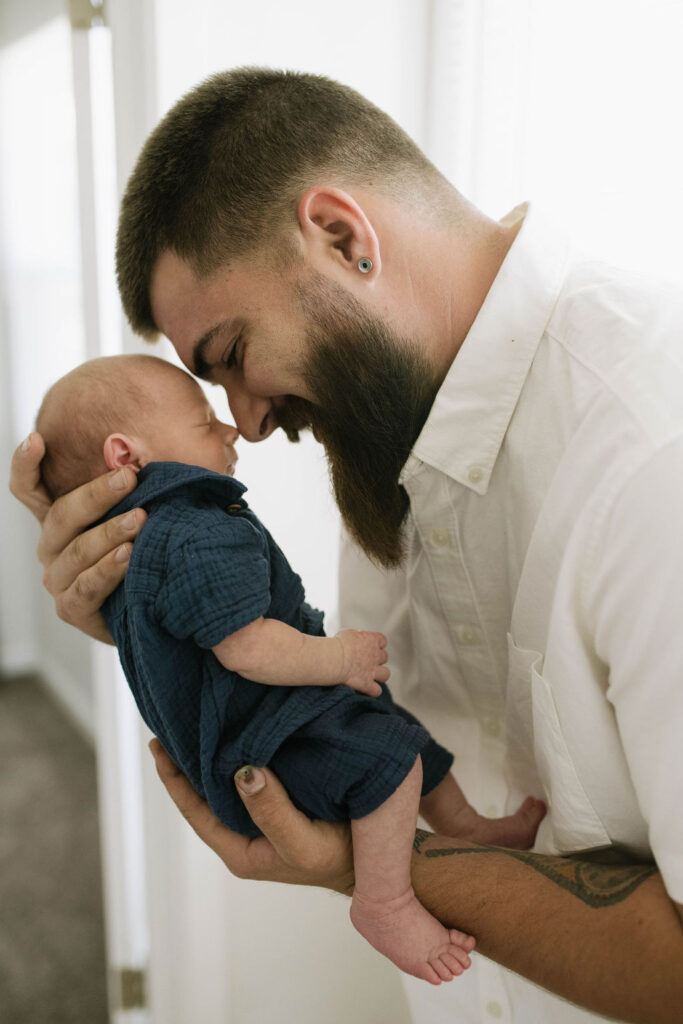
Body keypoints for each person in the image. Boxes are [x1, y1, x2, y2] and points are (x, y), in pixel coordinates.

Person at [10, 68, 683, 1022]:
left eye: (233, 357)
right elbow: (336, 686)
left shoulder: (654, 454)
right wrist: (156, 621)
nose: (243, 424)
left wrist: (370, 873)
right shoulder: (383, 443)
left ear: (340, 237)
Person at [35, 353, 545, 986]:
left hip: (263, 724)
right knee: (391, 757)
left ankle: (468, 828)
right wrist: (340, 656)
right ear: (125, 456)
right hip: (262, 743)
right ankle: (383, 902)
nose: (230, 431)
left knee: (400, 731)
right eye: (203, 421)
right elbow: (243, 646)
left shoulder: (142, 546)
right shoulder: (192, 530)